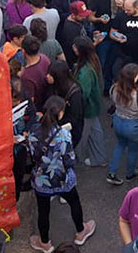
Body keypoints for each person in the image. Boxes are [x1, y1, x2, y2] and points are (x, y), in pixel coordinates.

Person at [28, 96, 97, 253]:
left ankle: (45, 243)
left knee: (43, 210)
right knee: (74, 202)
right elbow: (70, 159)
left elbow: (32, 155)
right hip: (63, 179)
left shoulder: (33, 131)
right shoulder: (64, 135)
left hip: (41, 179)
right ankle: (80, 232)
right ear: (60, 113)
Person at [107, 63, 138, 185]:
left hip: (118, 121)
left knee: (120, 145)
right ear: (134, 78)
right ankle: (130, 173)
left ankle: (112, 172)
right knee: (133, 150)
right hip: (133, 125)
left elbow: (112, 100)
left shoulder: (114, 89)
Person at [73, 36, 106, 167]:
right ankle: (99, 157)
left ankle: (78, 159)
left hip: (87, 109)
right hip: (95, 104)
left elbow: (83, 94)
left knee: (82, 135)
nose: (73, 48)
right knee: (96, 132)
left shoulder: (85, 71)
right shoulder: (94, 60)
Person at [20, 35, 54, 111]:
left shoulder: (26, 76)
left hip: (38, 108)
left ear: (23, 51)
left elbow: (30, 100)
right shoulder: (44, 58)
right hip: (48, 102)